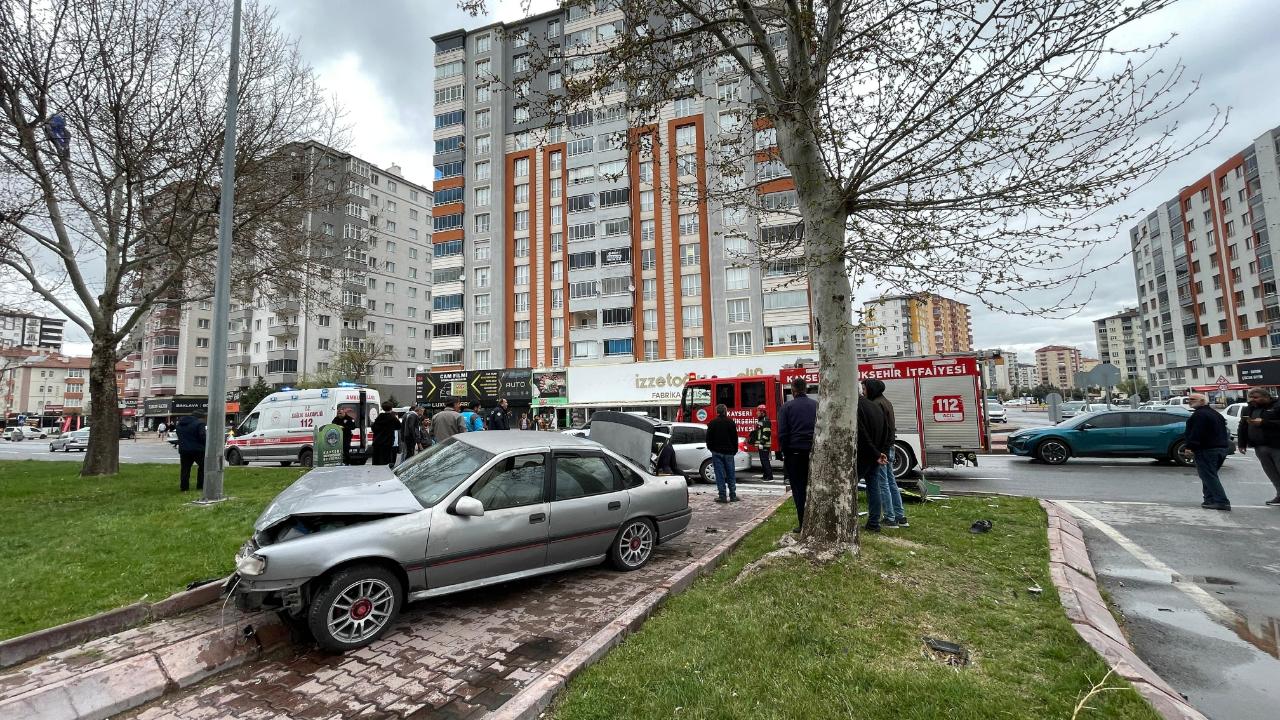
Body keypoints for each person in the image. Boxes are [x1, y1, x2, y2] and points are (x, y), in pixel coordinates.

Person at [863, 379, 908, 528]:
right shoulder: (886, 401)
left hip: (883, 449)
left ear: (871, 389)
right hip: (890, 446)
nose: (863, 392)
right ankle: (900, 516)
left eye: (864, 388)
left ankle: (889, 518)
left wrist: (879, 451)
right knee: (891, 481)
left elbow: (881, 429)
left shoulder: (876, 404)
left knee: (882, 483)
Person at [779, 378, 817, 530]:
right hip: (814, 453)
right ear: (806, 389)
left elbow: (783, 434)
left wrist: (785, 453)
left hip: (795, 453)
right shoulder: (816, 405)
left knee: (799, 489)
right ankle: (815, 521)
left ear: (793, 390)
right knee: (814, 488)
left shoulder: (787, 407)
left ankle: (803, 524)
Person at [1187, 393, 1232, 511]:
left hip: (1206, 449)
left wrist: (1190, 447)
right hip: (1220, 448)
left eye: (1193, 399)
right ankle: (1209, 499)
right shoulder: (1215, 414)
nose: (1189, 401)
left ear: (1202, 401)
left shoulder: (1199, 415)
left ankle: (1221, 501)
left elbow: (1197, 432)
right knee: (1209, 476)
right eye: (1189, 399)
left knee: (1208, 476)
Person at [857, 389, 893, 532]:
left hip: (862, 455)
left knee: (849, 487)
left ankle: (849, 519)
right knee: (874, 489)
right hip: (875, 456)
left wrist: (876, 452)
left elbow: (862, 434)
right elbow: (888, 431)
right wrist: (881, 452)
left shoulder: (856, 407)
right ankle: (874, 523)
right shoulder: (875, 406)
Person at [1238, 388, 1280, 506]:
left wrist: (1264, 422)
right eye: (1250, 397)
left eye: (1255, 397)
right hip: (1259, 446)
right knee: (1271, 473)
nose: (1252, 400)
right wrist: (1242, 443)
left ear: (1266, 397)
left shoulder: (1277, 406)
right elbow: (1243, 426)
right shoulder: (1248, 408)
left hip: (1277, 445)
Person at [706, 404, 741, 503]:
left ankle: (722, 496)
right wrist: (734, 450)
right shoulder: (731, 422)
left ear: (717, 412)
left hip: (717, 452)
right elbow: (735, 438)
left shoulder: (712, 423)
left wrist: (711, 448)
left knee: (719, 474)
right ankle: (733, 495)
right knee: (731, 474)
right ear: (726, 411)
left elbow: (708, 439)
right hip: (729, 452)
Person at [175, 410, 206, 492]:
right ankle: (200, 486)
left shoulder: (180, 424)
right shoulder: (199, 423)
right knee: (203, 467)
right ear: (200, 417)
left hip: (184, 450)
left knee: (185, 469)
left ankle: (184, 487)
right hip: (198, 450)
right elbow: (203, 436)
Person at [370, 400, 401, 467]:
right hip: (388, 442)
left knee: (377, 460)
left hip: (377, 441)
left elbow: (373, 428)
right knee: (386, 460)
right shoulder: (393, 418)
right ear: (391, 408)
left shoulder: (379, 417)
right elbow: (399, 426)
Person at [749, 405, 774, 481]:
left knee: (765, 460)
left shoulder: (765, 421)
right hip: (762, 444)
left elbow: (766, 433)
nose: (756, 413)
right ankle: (765, 475)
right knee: (763, 460)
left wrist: (762, 443)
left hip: (764, 445)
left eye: (758, 411)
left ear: (762, 412)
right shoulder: (761, 420)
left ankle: (769, 477)